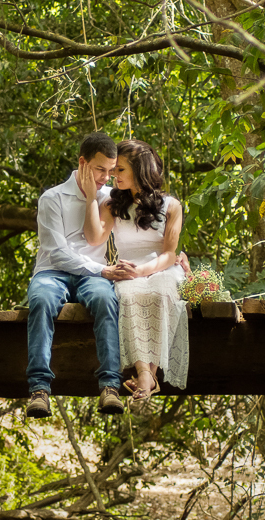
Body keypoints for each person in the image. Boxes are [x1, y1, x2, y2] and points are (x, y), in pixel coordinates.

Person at [25, 132, 128, 419]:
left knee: (107, 300)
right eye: (100, 169)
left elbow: (141, 225)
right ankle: (39, 389)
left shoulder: (109, 198)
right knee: (42, 301)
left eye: (111, 171)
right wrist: (103, 269)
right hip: (53, 272)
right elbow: (56, 253)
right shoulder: (52, 198)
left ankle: (110, 385)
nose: (106, 177)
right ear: (83, 163)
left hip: (92, 278)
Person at [83, 139, 188, 401]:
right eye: (113, 170)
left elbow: (169, 254)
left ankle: (147, 376)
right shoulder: (112, 203)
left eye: (120, 170)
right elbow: (94, 238)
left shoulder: (172, 206)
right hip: (128, 268)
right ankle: (146, 374)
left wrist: (143, 271)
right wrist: (89, 200)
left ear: (139, 170)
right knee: (129, 296)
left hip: (161, 266)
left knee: (162, 292)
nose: (112, 176)